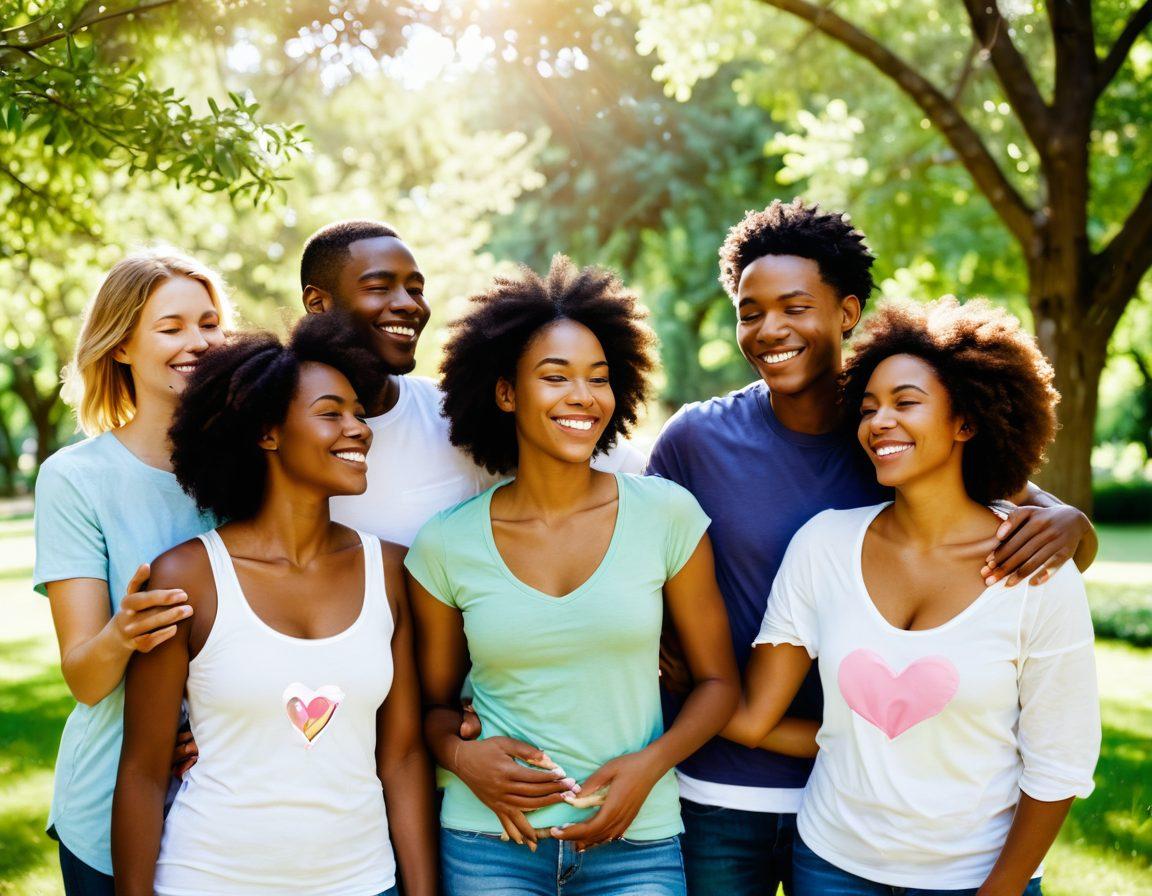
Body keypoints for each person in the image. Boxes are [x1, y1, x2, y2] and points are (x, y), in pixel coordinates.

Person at [646, 199, 1098, 895]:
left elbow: (1012, 503)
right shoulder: (696, 442)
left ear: (847, 312)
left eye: (794, 306)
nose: (770, 329)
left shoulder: (896, 439)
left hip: (863, 779)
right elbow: (633, 564)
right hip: (727, 783)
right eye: (749, 310)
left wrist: (1071, 521)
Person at [405, 257, 741, 896]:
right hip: (490, 846)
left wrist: (649, 767)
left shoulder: (665, 514)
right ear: (506, 393)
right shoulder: (446, 543)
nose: (582, 396)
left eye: (599, 378)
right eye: (555, 377)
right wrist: (461, 757)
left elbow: (719, 684)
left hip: (635, 845)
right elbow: (432, 709)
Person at [112, 313, 436, 896]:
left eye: (359, 414)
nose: (359, 429)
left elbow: (404, 756)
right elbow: (140, 771)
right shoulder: (188, 577)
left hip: (363, 883)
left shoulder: (390, 570)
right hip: (207, 879)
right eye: (331, 412)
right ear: (267, 433)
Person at [32, 250, 230, 894]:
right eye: (169, 328)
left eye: (208, 323)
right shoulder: (76, 479)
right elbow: (86, 679)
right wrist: (123, 631)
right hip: (109, 802)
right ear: (120, 346)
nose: (196, 342)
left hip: (233, 801)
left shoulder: (253, 466)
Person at [300, 220, 645, 546]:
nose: (408, 304)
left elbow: (618, 466)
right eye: (379, 287)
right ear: (318, 303)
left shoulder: (456, 416)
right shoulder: (273, 427)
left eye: (416, 289)